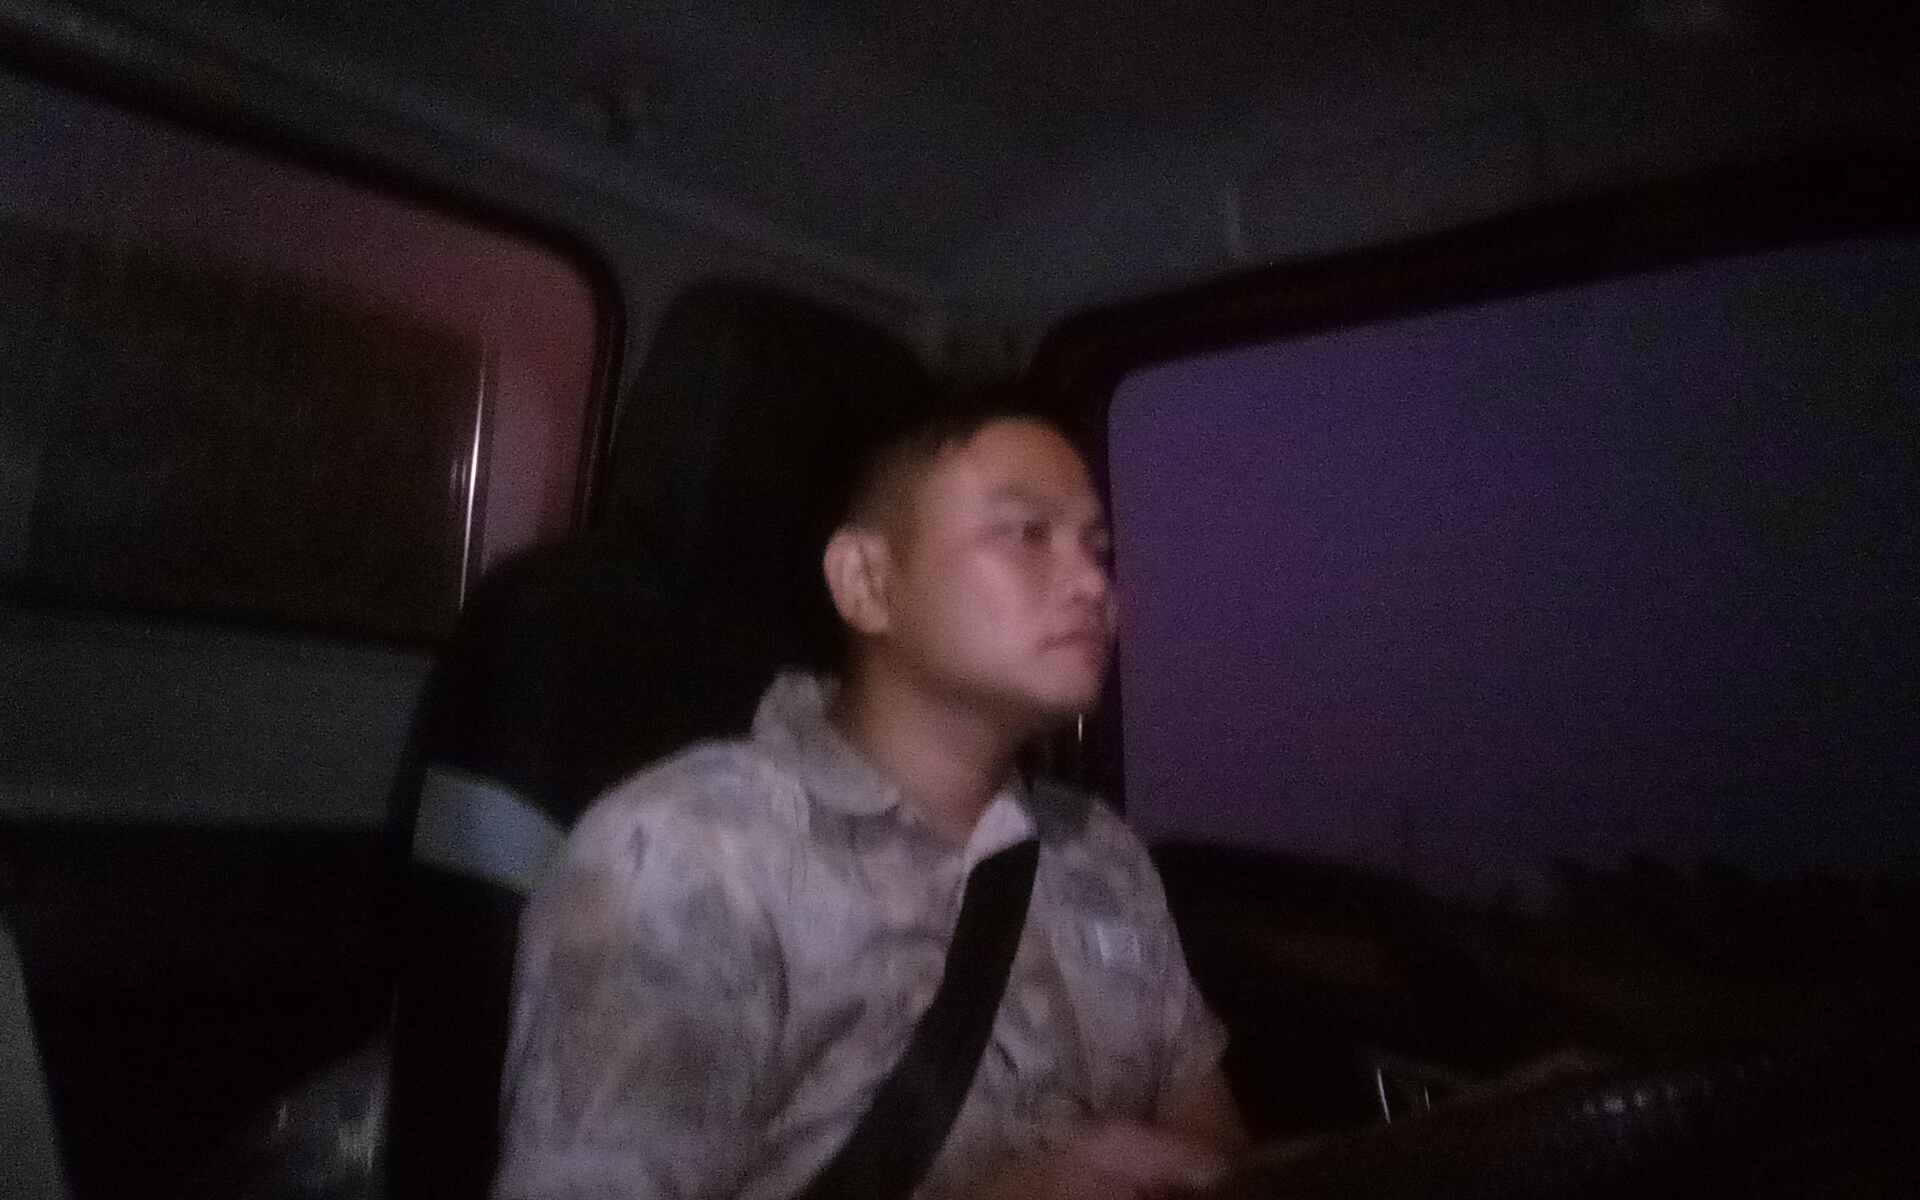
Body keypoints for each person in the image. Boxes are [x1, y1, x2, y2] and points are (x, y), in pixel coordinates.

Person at [492, 388, 1247, 1200]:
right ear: (867, 583)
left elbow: (1211, 1142)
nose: (1093, 584)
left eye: (1098, 550)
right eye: (1028, 533)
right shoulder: (688, 853)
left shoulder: (1101, 850)